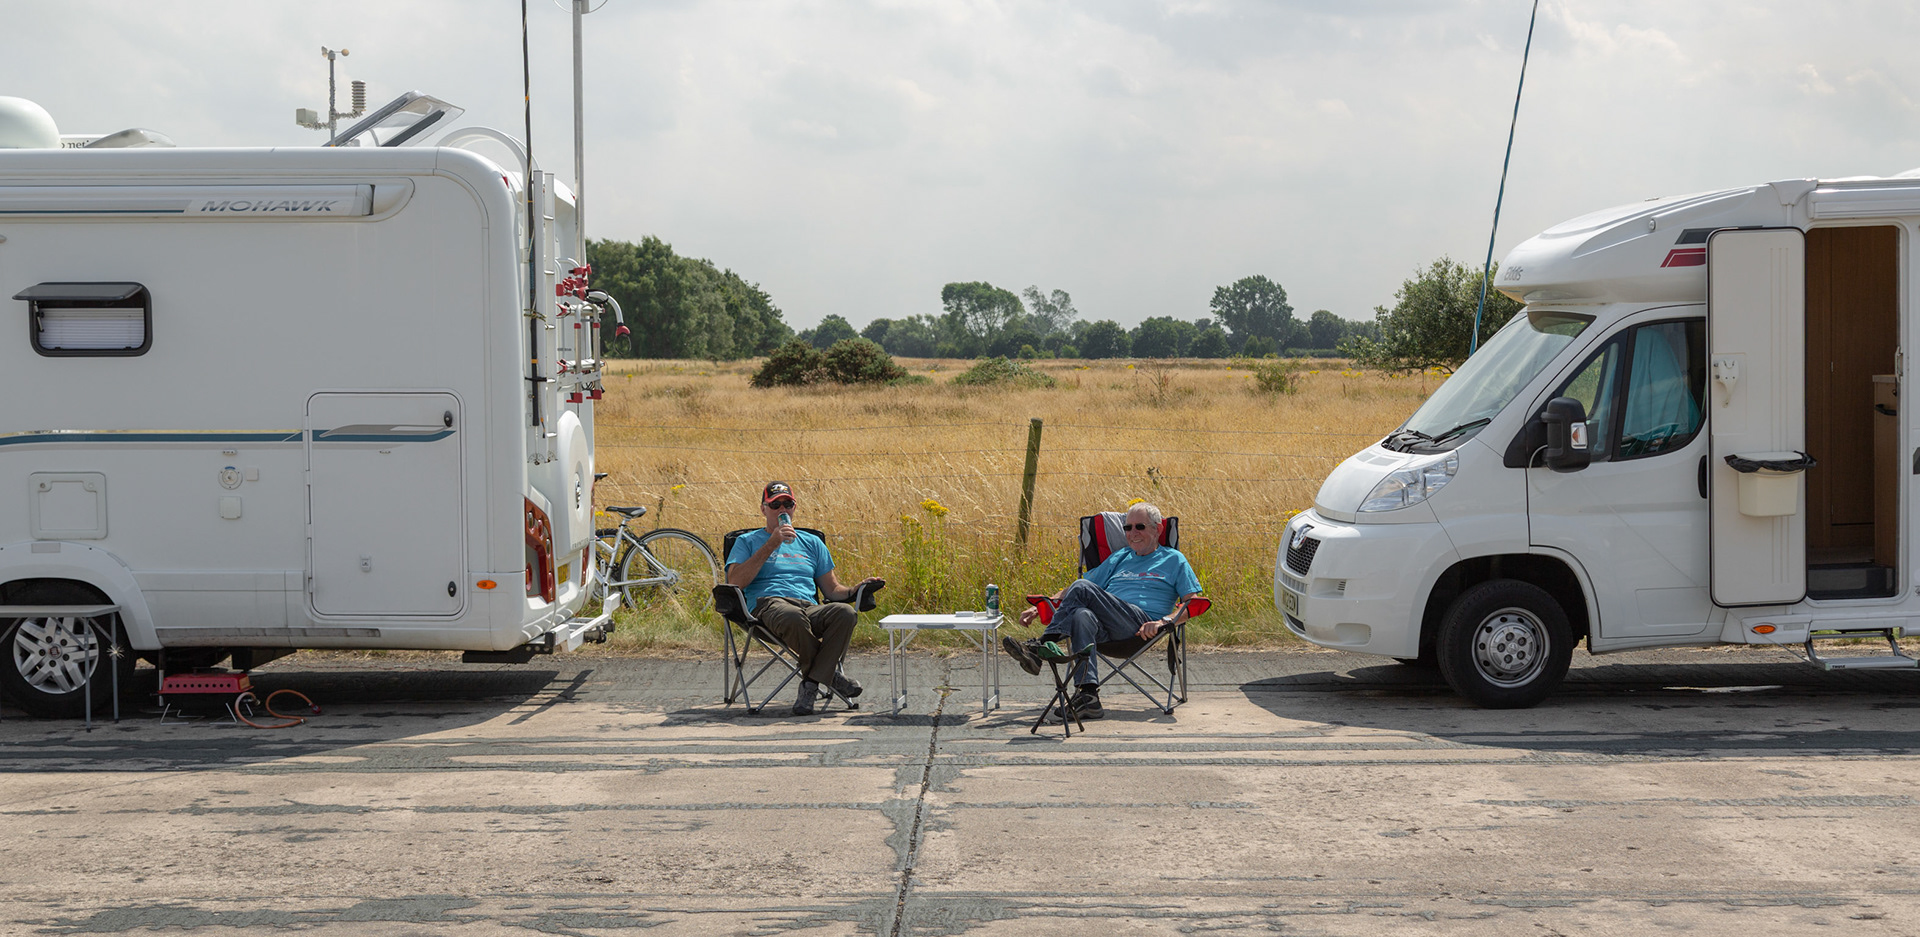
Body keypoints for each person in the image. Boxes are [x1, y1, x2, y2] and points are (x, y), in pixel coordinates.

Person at [1002, 502, 1202, 722]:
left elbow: (1191, 603)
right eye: (1128, 528)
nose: (1133, 533)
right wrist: (1042, 605)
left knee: (1082, 587)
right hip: (1105, 629)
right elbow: (1080, 586)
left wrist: (1165, 621)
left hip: (1140, 625)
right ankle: (1089, 697)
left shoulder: (1174, 559)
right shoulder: (1121, 556)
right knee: (1081, 615)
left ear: (1158, 529)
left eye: (1140, 527)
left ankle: (1040, 647)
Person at [726, 481, 884, 715]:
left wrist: (855, 589)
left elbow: (832, 591)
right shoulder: (747, 541)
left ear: (794, 507)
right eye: (775, 504)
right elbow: (734, 582)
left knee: (845, 613)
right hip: (768, 605)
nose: (782, 510)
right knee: (792, 616)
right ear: (763, 509)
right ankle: (829, 675)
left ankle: (811, 682)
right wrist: (771, 544)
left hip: (809, 607)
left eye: (787, 504)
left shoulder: (812, 543)